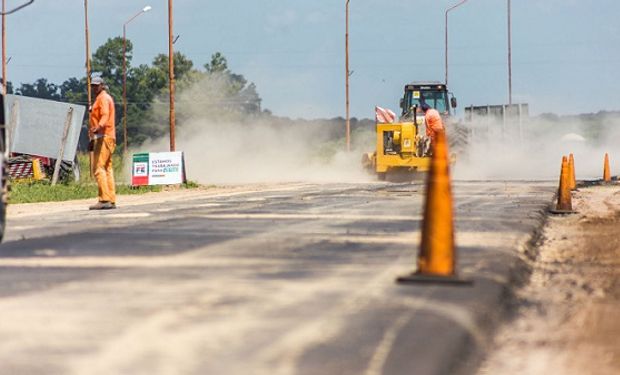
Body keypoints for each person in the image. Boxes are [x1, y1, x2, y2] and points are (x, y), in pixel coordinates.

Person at [89, 77, 117, 210]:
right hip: (108, 136)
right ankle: (111, 199)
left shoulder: (103, 98)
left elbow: (105, 115)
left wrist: (98, 126)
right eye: (92, 86)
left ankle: (104, 199)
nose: (94, 88)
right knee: (107, 168)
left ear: (102, 85)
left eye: (96, 85)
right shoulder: (103, 98)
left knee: (98, 168)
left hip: (104, 136)